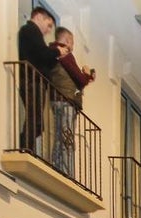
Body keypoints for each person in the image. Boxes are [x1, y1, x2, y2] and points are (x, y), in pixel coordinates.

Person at [47, 26, 94, 177]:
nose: (72, 46)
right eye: (72, 42)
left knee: (62, 136)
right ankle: (66, 174)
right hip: (66, 100)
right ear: (67, 40)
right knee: (67, 139)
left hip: (62, 99)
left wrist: (86, 77)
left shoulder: (55, 54)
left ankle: (58, 167)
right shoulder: (64, 53)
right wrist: (86, 74)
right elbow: (79, 79)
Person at [17, 6, 64, 151]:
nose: (49, 30)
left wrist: (56, 56)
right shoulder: (30, 31)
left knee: (37, 121)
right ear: (38, 17)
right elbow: (41, 54)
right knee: (35, 120)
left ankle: (26, 147)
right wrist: (57, 51)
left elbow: (42, 59)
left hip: (36, 80)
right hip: (32, 80)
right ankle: (25, 148)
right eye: (49, 25)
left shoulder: (33, 34)